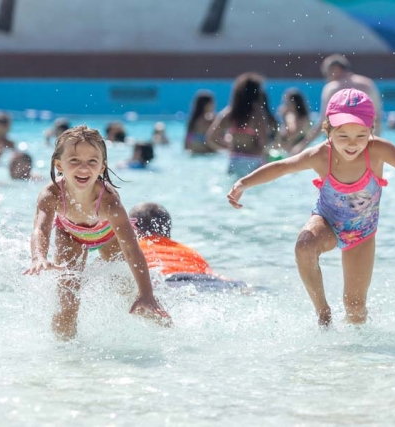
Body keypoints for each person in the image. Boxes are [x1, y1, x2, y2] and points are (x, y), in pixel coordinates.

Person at [227, 88, 395, 326]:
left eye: (360, 135)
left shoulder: (378, 150)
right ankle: (323, 312)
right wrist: (244, 182)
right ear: (328, 130)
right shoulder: (320, 155)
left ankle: (356, 354)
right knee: (304, 246)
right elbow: (282, 167)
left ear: (371, 130)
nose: (352, 144)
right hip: (326, 221)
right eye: (343, 135)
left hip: (362, 233)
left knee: (355, 308)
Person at [23, 125, 171, 340]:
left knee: (129, 292)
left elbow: (131, 249)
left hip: (107, 236)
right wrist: (38, 256)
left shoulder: (109, 202)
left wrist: (146, 293)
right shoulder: (51, 194)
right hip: (70, 236)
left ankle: (168, 329)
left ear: (102, 167)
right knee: (67, 299)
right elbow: (40, 228)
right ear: (59, 165)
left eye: (92, 161)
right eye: (74, 160)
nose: (83, 168)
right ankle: (65, 354)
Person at [128, 202, 246, 291]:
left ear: (133, 228)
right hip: (206, 281)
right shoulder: (186, 249)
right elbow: (213, 274)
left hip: (166, 281)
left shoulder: (133, 249)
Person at [291, 54, 383, 154]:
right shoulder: (368, 84)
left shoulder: (332, 88)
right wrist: (374, 145)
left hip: (341, 146)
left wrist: (302, 145)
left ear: (336, 69)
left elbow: (323, 122)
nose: (327, 78)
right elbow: (377, 118)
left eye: (327, 74)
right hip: (366, 143)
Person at [206, 72, 277, 176]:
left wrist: (228, 147)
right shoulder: (257, 114)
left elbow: (210, 138)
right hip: (254, 160)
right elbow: (264, 142)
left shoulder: (229, 113)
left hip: (234, 160)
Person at [274, 88, 311, 154]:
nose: (285, 105)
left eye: (287, 103)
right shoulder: (289, 117)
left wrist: (284, 118)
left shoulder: (305, 119)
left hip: (301, 153)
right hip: (290, 152)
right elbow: (282, 138)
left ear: (295, 103)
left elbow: (292, 136)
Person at [185, 90, 217, 154]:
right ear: (206, 105)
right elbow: (215, 139)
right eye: (212, 103)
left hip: (194, 152)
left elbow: (186, 143)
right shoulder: (210, 119)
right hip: (206, 153)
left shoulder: (193, 121)